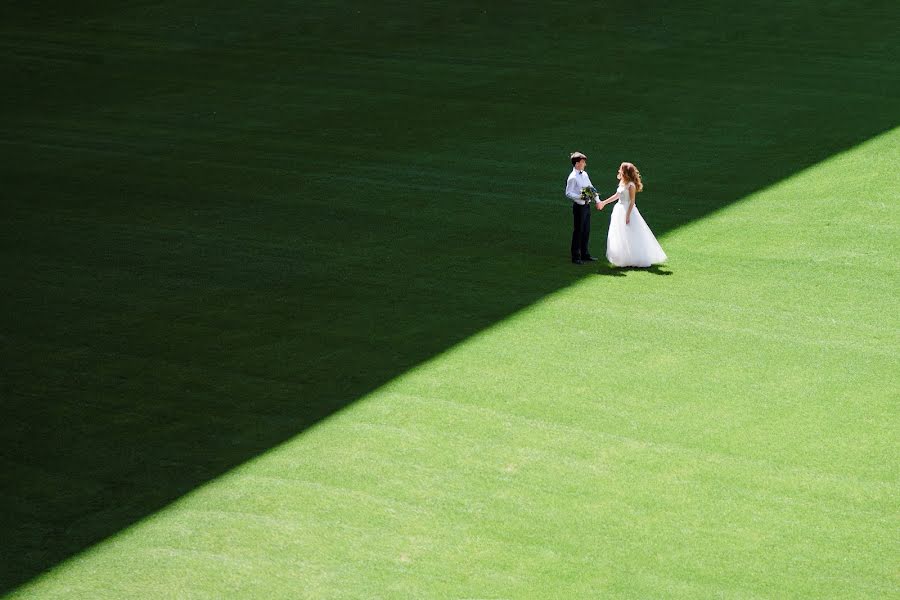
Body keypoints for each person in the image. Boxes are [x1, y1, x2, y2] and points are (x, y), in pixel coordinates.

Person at [597, 162, 667, 267]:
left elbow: (632, 201)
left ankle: (634, 258)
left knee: (630, 233)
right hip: (619, 209)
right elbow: (617, 195)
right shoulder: (622, 183)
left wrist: (628, 215)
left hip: (627, 210)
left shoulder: (631, 185)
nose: (619, 171)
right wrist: (604, 202)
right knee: (620, 233)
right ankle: (624, 258)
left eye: (621, 170)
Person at [564, 152, 601, 264]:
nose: (585, 164)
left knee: (586, 231)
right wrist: (580, 196)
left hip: (586, 206)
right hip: (579, 207)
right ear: (577, 163)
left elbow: (591, 188)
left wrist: (598, 200)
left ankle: (585, 254)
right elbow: (568, 193)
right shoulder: (572, 177)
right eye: (583, 162)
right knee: (578, 231)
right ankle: (576, 256)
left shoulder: (584, 174)